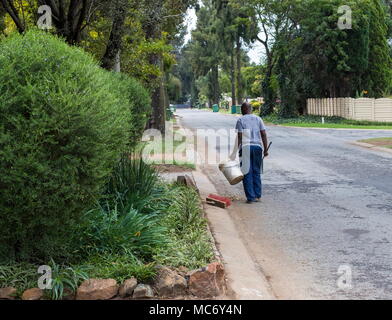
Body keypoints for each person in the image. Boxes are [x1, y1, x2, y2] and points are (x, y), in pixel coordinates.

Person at [235, 102, 269, 204]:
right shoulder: (258, 119)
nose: (241, 110)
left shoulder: (240, 120)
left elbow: (240, 137)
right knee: (256, 171)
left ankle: (251, 197)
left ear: (245, 109)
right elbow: (263, 134)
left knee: (246, 173)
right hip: (258, 148)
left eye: (242, 108)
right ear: (251, 109)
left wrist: (235, 151)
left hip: (245, 148)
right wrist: (265, 149)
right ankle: (258, 195)